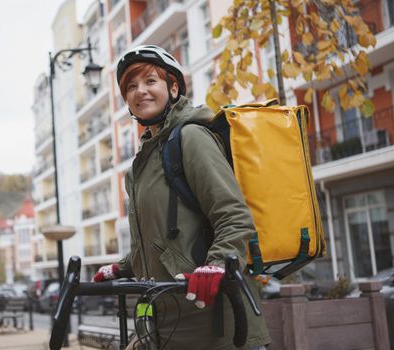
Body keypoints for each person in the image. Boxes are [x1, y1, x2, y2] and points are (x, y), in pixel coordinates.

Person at [93, 45, 271, 350]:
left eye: (150, 81)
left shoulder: (191, 138)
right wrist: (123, 267)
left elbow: (234, 216)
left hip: (220, 327)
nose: (140, 92)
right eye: (131, 87)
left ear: (173, 88)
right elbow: (161, 241)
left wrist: (216, 264)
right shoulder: (140, 165)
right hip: (171, 326)